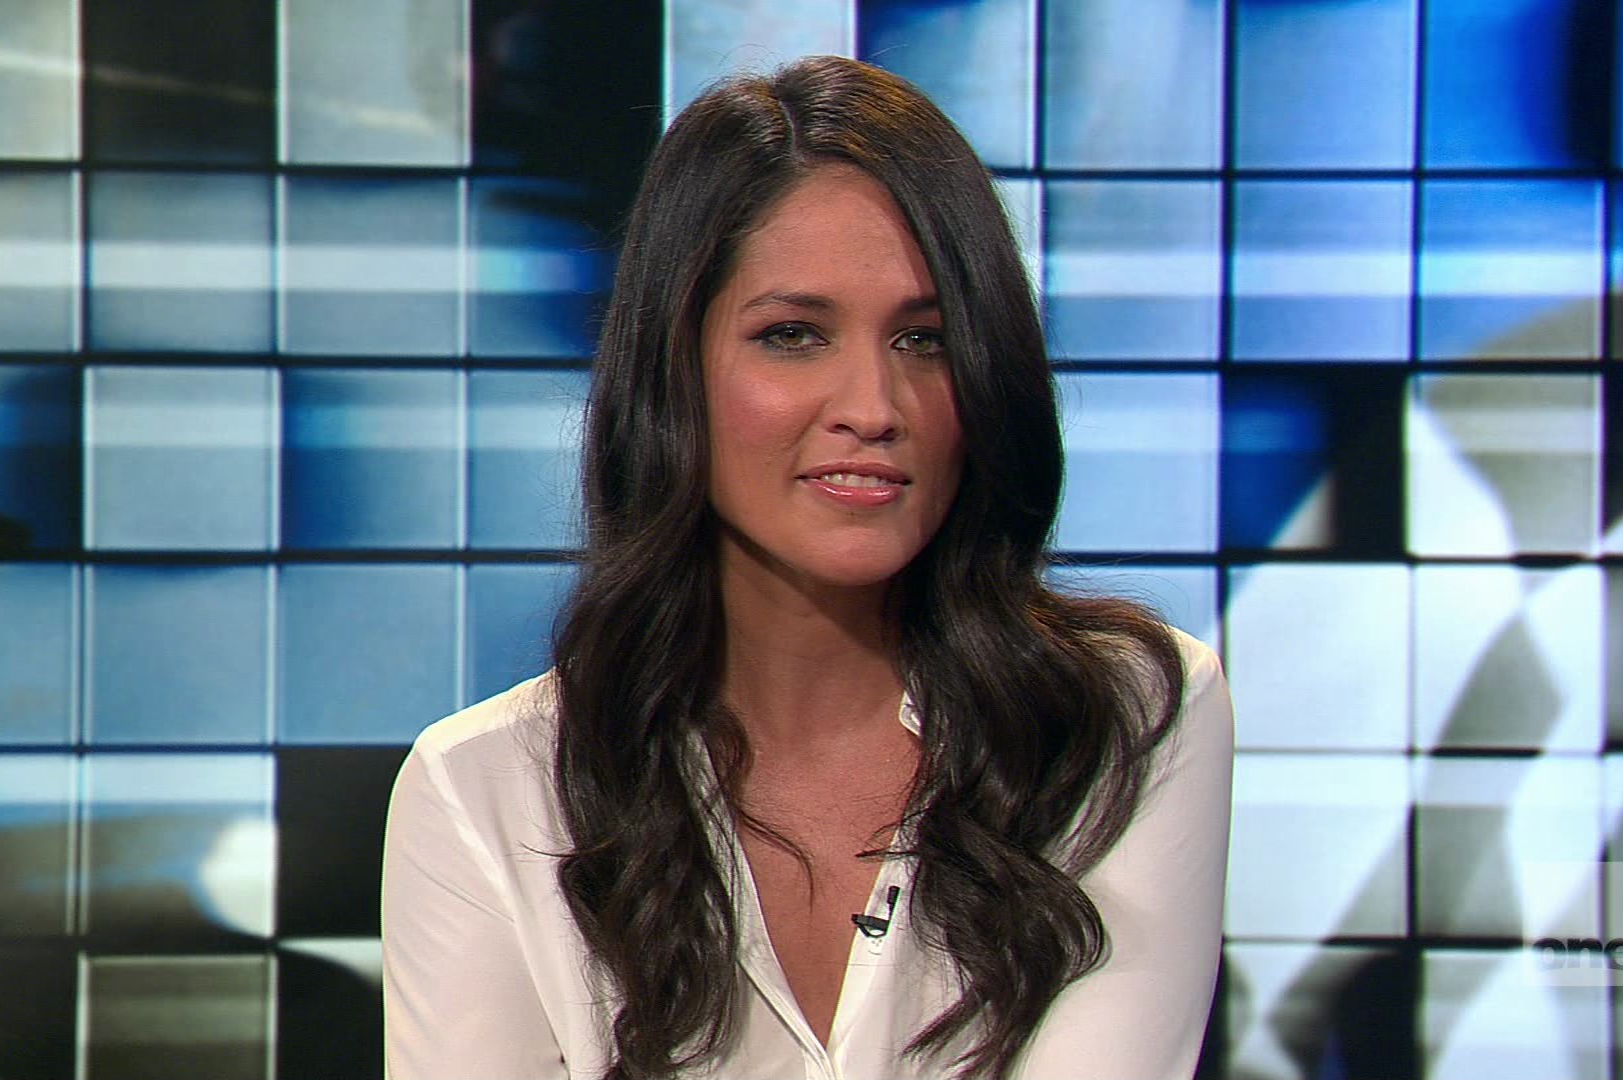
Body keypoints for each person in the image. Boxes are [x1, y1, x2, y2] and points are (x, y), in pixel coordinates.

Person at [382, 55, 1234, 1080]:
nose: (873, 407)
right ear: (674, 370)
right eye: (793, 335)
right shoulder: (484, 792)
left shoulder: (1123, 720)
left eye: (924, 340)